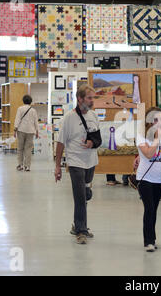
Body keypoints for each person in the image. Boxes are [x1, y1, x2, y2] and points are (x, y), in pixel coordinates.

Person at [55, 84, 100, 245]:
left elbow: (97, 138)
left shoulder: (94, 116)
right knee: (80, 196)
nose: (92, 101)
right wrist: (58, 166)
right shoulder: (69, 118)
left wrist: (91, 143)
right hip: (75, 161)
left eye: (93, 98)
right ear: (79, 99)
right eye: (89, 98)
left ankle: (77, 225)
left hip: (91, 161)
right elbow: (60, 143)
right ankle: (81, 230)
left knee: (86, 195)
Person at [136, 107, 161, 252]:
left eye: (160, 119)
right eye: (155, 119)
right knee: (149, 208)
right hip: (145, 178)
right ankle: (148, 241)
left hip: (159, 179)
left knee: (154, 210)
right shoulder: (141, 136)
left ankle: (153, 238)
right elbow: (149, 154)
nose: (158, 122)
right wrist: (156, 138)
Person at [14, 95, 39, 172]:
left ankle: (20, 165)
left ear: (23, 101)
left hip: (21, 130)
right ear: (30, 101)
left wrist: (15, 129)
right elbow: (36, 122)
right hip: (31, 131)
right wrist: (37, 131)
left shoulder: (20, 109)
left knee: (20, 148)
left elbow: (17, 119)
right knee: (28, 149)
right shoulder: (33, 110)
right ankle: (27, 166)